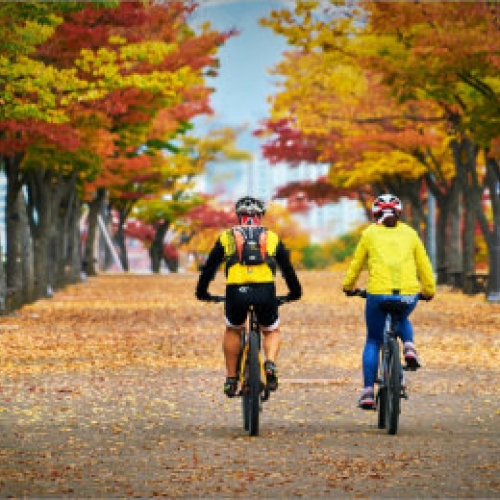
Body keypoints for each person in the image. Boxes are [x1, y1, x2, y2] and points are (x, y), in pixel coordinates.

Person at [195, 196, 302, 397]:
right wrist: (294, 293)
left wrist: (202, 292)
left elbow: (209, 268)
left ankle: (231, 378)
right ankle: (270, 363)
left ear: (239, 217)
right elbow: (287, 269)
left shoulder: (227, 237)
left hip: (236, 291)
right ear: (260, 216)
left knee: (234, 329)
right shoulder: (272, 237)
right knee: (271, 330)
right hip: (265, 291)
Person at [342, 194, 436, 410]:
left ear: (376, 214)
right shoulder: (411, 234)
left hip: (377, 294)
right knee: (402, 315)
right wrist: (428, 290)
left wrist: (348, 287)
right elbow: (424, 265)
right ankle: (409, 347)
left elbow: (356, 264)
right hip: (408, 294)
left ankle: (367, 391)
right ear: (399, 213)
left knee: (374, 340)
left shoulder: (369, 234)